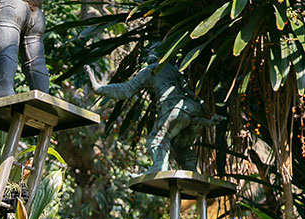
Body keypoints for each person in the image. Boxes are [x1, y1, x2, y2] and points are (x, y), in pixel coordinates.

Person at [87, 48, 223, 173]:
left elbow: (125, 90)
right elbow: (193, 94)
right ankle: (192, 172)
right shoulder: (175, 70)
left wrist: (99, 88)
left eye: (150, 51)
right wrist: (209, 114)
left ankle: (160, 168)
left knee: (155, 140)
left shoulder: (152, 70)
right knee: (182, 147)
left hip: (173, 108)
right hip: (193, 108)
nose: (147, 55)